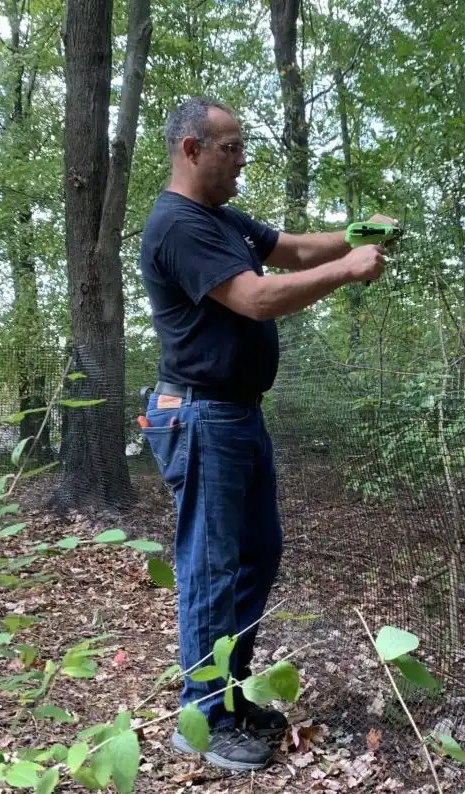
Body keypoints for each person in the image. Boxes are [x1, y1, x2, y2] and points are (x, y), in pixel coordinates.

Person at [137, 97, 392, 772]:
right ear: (191, 149)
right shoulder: (177, 225)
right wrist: (349, 270)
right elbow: (254, 296)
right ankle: (202, 720)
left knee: (257, 555)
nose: (242, 159)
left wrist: (358, 233)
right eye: (231, 147)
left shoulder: (223, 220)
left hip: (236, 413)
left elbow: (294, 248)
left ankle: (229, 693)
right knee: (212, 565)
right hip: (200, 414)